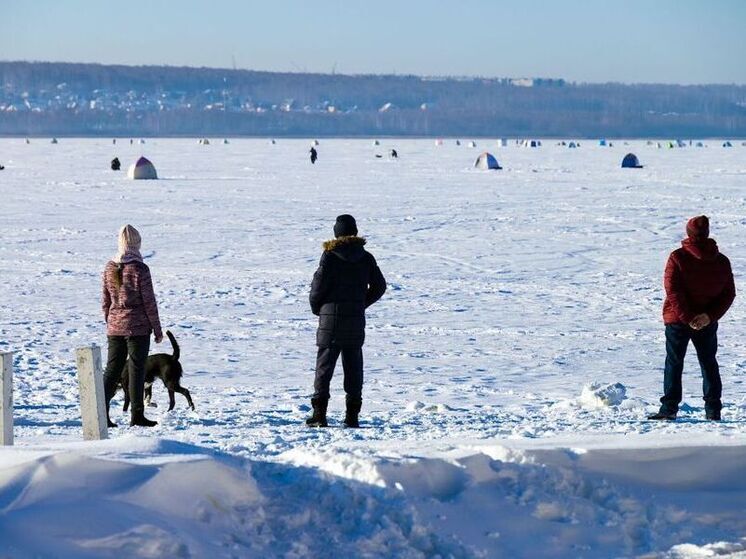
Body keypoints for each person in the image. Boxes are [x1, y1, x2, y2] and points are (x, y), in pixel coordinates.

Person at [649, 216, 735, 421]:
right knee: (708, 363)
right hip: (705, 322)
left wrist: (687, 318)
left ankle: (669, 409)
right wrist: (708, 317)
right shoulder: (721, 260)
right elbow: (728, 294)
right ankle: (713, 410)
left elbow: (673, 291)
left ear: (688, 233)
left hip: (678, 320)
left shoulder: (677, 257)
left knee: (674, 362)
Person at [307, 215, 386, 428]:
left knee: (324, 367)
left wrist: (318, 308)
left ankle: (319, 415)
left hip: (330, 320)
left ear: (336, 233)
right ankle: (352, 416)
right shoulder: (366, 257)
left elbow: (318, 287)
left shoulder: (330, 256)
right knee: (354, 367)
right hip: (354, 320)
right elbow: (380, 287)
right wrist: (360, 304)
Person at [101, 224, 163, 427]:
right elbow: (149, 302)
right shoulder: (140, 269)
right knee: (137, 371)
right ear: (137, 244)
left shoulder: (110, 267)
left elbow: (105, 300)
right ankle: (137, 415)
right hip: (137, 328)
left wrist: (110, 321)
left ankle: (100, 413)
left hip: (114, 327)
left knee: (112, 371)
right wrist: (157, 329)